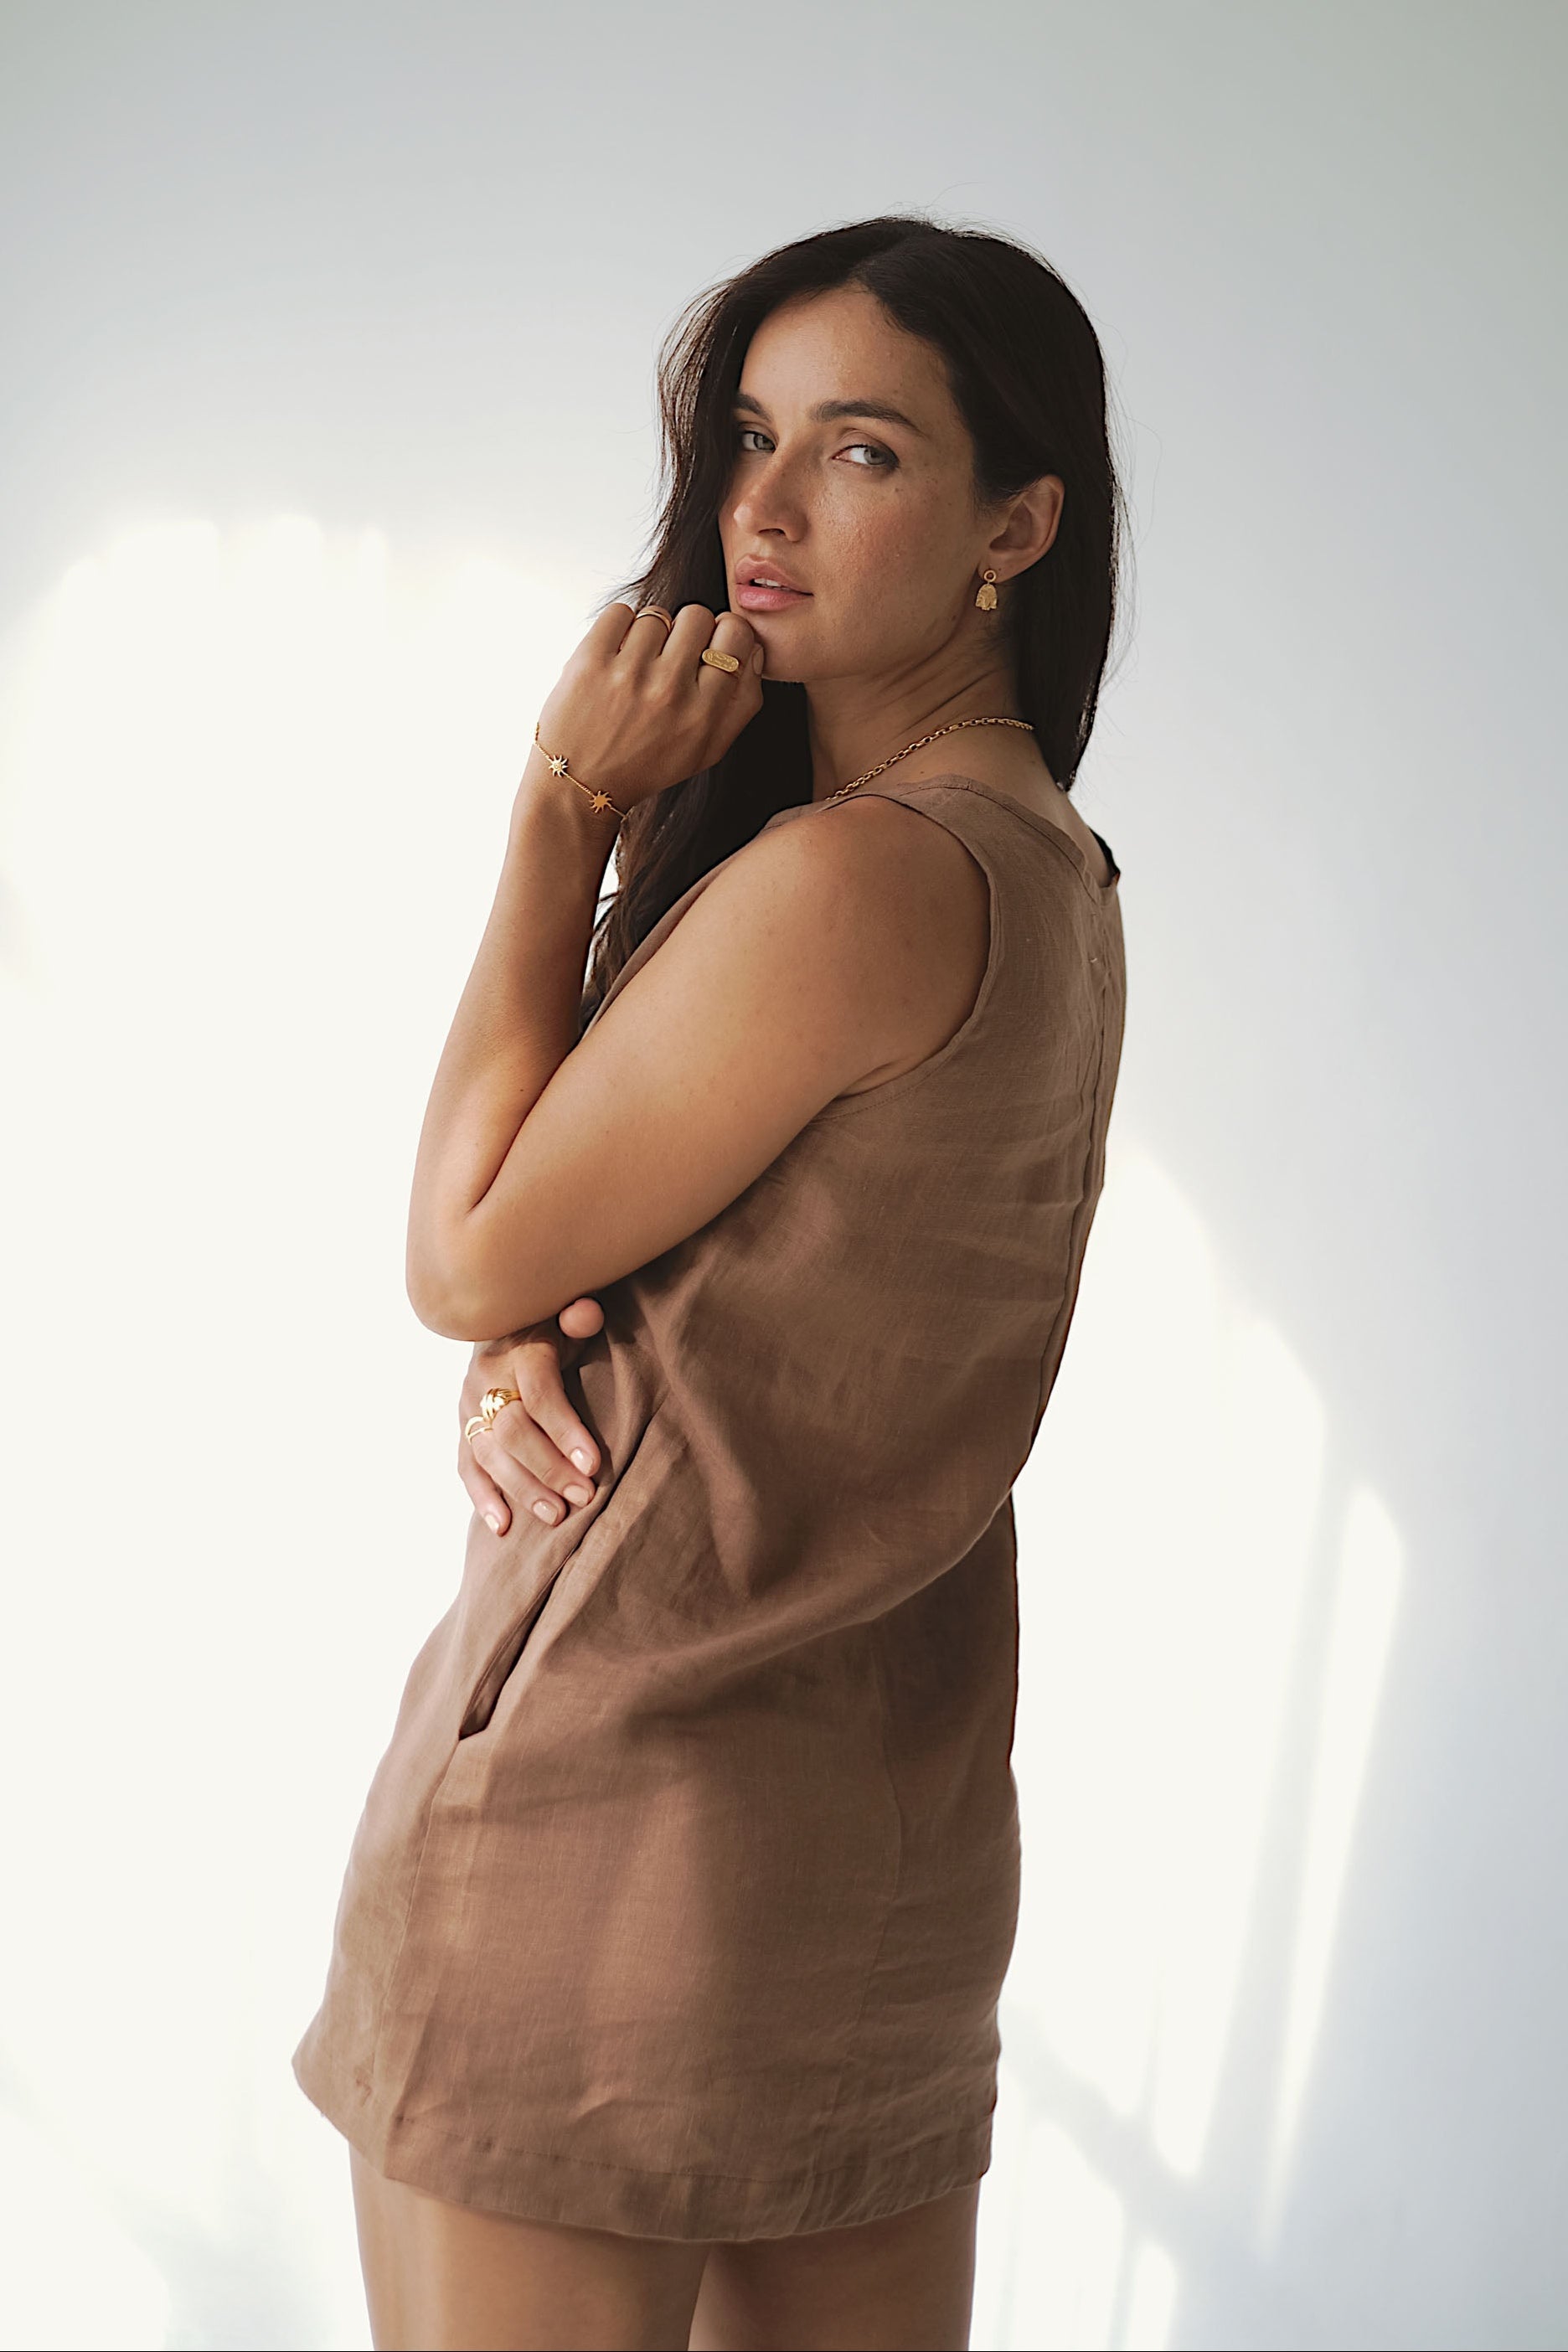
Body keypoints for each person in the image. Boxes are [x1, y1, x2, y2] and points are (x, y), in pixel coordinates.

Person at [292, 214, 1127, 2352]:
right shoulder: (1054, 870)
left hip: (617, 1835)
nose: (760, 507)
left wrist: (563, 811)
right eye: (747, 436)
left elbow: (468, 1237)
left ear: (1015, 521)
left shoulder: (856, 876)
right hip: (889, 1845)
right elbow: (738, 1284)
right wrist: (521, 1332)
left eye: (860, 451)